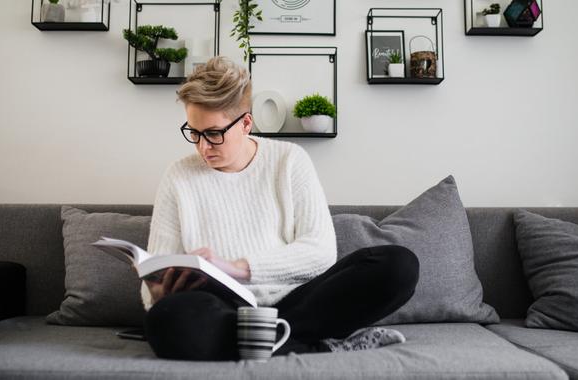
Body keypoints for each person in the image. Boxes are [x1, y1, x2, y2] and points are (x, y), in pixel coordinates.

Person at [141, 56, 419, 361]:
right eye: (194, 133)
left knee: (398, 265)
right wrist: (156, 292)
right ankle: (318, 346)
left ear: (246, 123)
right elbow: (154, 274)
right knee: (165, 321)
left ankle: (259, 340)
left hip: (297, 302)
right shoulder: (177, 176)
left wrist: (235, 267)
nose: (203, 147)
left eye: (214, 134)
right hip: (222, 307)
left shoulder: (289, 160)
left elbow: (321, 251)